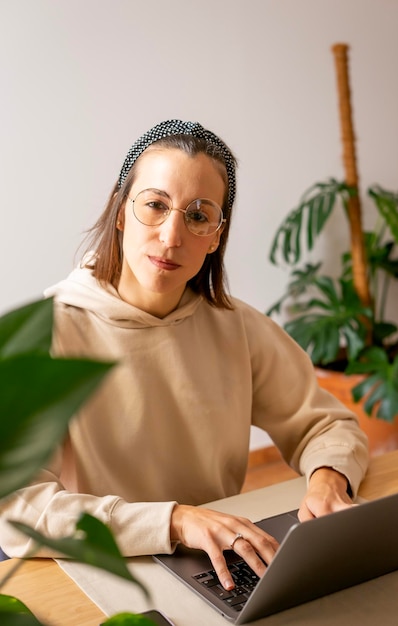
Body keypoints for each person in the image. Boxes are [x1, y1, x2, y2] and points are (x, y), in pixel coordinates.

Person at [0, 119, 368, 590]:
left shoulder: (237, 326)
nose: (172, 236)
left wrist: (328, 479)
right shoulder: (47, 334)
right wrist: (173, 523)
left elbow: (326, 424)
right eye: (155, 205)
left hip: (220, 567)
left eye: (197, 216)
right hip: (100, 572)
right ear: (119, 213)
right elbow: (18, 509)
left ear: (215, 236)